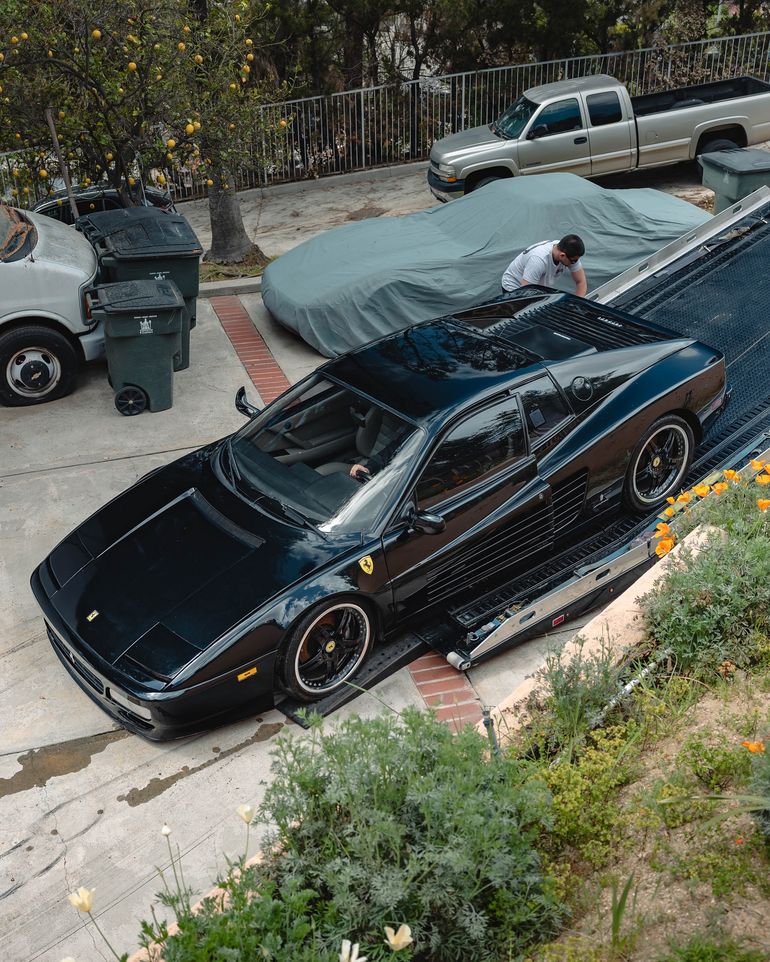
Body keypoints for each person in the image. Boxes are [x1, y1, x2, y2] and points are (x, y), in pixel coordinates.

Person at [501, 234, 587, 297]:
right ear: (562, 255)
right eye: (573, 261)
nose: (575, 263)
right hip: (515, 287)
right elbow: (525, 293)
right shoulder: (538, 260)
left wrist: (577, 304)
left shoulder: (569, 252)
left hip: (538, 287)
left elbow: (581, 282)